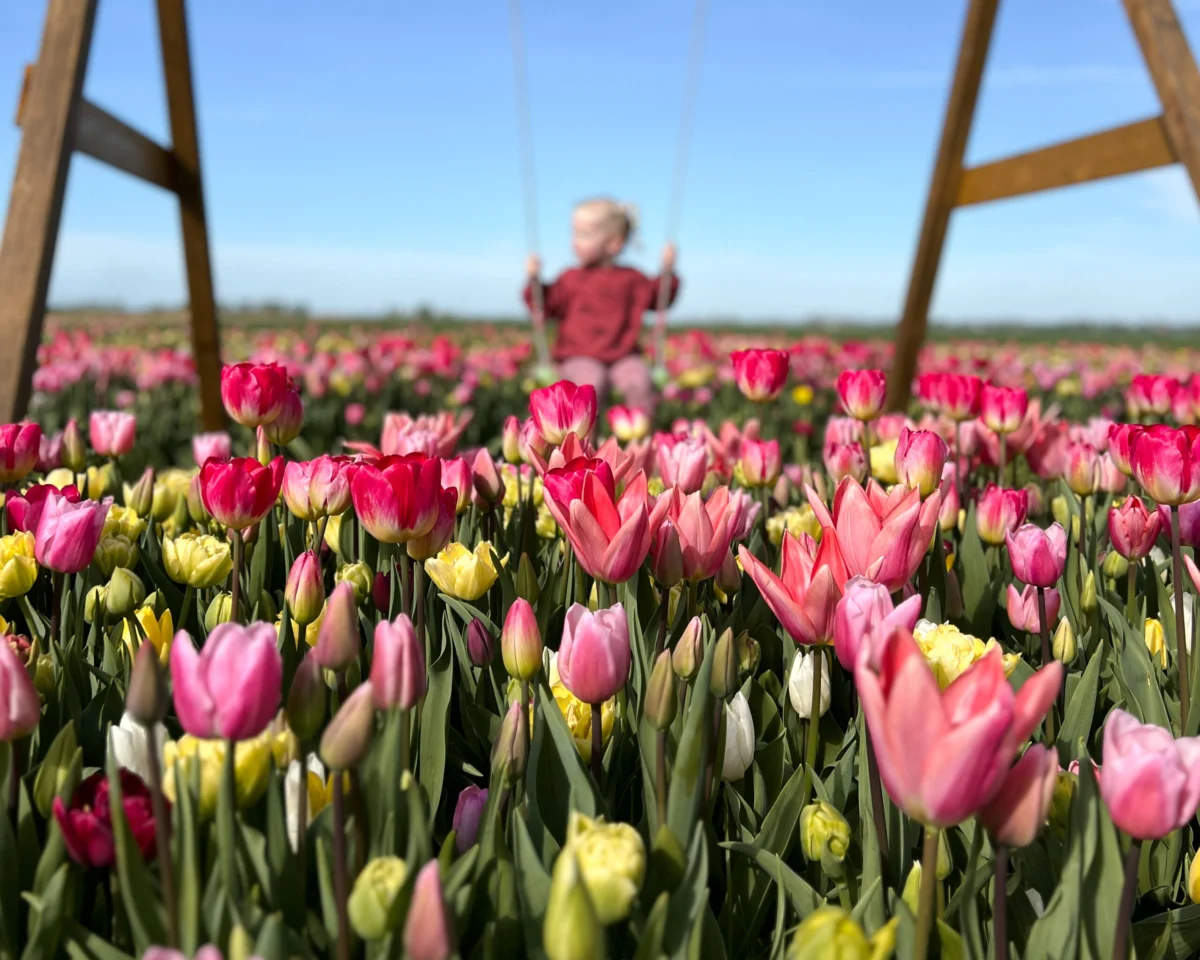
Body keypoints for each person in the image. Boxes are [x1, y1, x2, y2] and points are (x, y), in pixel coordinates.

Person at [524, 198, 679, 415]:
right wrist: (534, 280)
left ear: (613, 243)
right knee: (590, 383)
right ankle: (584, 446)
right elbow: (545, 304)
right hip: (577, 355)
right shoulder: (569, 279)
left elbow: (659, 298)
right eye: (573, 233)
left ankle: (640, 441)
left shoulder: (631, 279)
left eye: (584, 235)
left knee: (639, 381)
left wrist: (668, 271)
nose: (574, 242)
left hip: (623, 356)